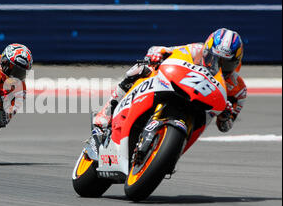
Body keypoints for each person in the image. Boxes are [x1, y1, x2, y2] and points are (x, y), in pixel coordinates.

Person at [93, 28, 247, 133]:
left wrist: (226, 115)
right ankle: (107, 110)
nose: (218, 66)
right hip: (174, 86)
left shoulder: (238, 90)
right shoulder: (195, 50)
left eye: (225, 63)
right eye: (215, 59)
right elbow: (160, 50)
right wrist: (156, 55)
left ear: (236, 62)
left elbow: (225, 127)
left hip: (195, 118)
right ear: (207, 50)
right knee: (142, 66)